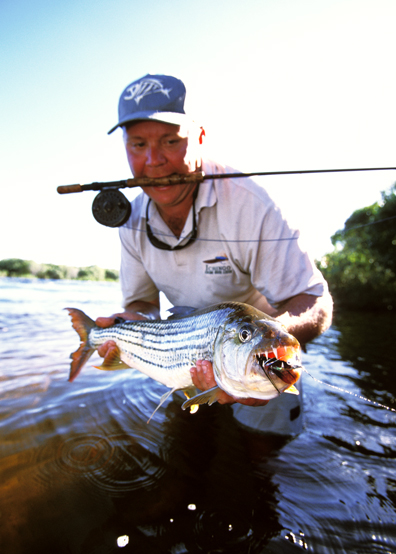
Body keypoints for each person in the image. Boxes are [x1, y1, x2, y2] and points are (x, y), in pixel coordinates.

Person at [97, 74, 333, 433]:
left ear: (199, 137)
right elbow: (142, 307)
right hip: (182, 359)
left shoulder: (251, 203)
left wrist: (264, 342)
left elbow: (316, 301)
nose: (154, 161)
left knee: (261, 457)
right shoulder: (129, 220)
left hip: (263, 364)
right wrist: (125, 332)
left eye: (171, 141)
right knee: (187, 452)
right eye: (138, 144)